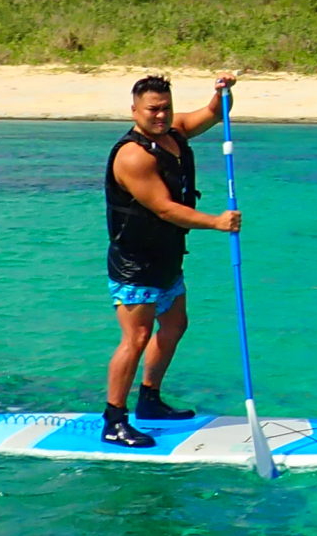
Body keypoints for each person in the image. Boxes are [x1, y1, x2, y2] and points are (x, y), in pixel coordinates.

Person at [100, 72, 241, 447]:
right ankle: (114, 418)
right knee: (137, 337)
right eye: (152, 110)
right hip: (135, 263)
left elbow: (215, 113)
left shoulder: (174, 132)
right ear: (134, 110)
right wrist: (217, 222)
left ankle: (149, 399)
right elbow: (164, 208)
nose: (160, 116)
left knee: (175, 325)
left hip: (167, 257)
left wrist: (222, 93)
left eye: (166, 108)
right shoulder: (132, 156)